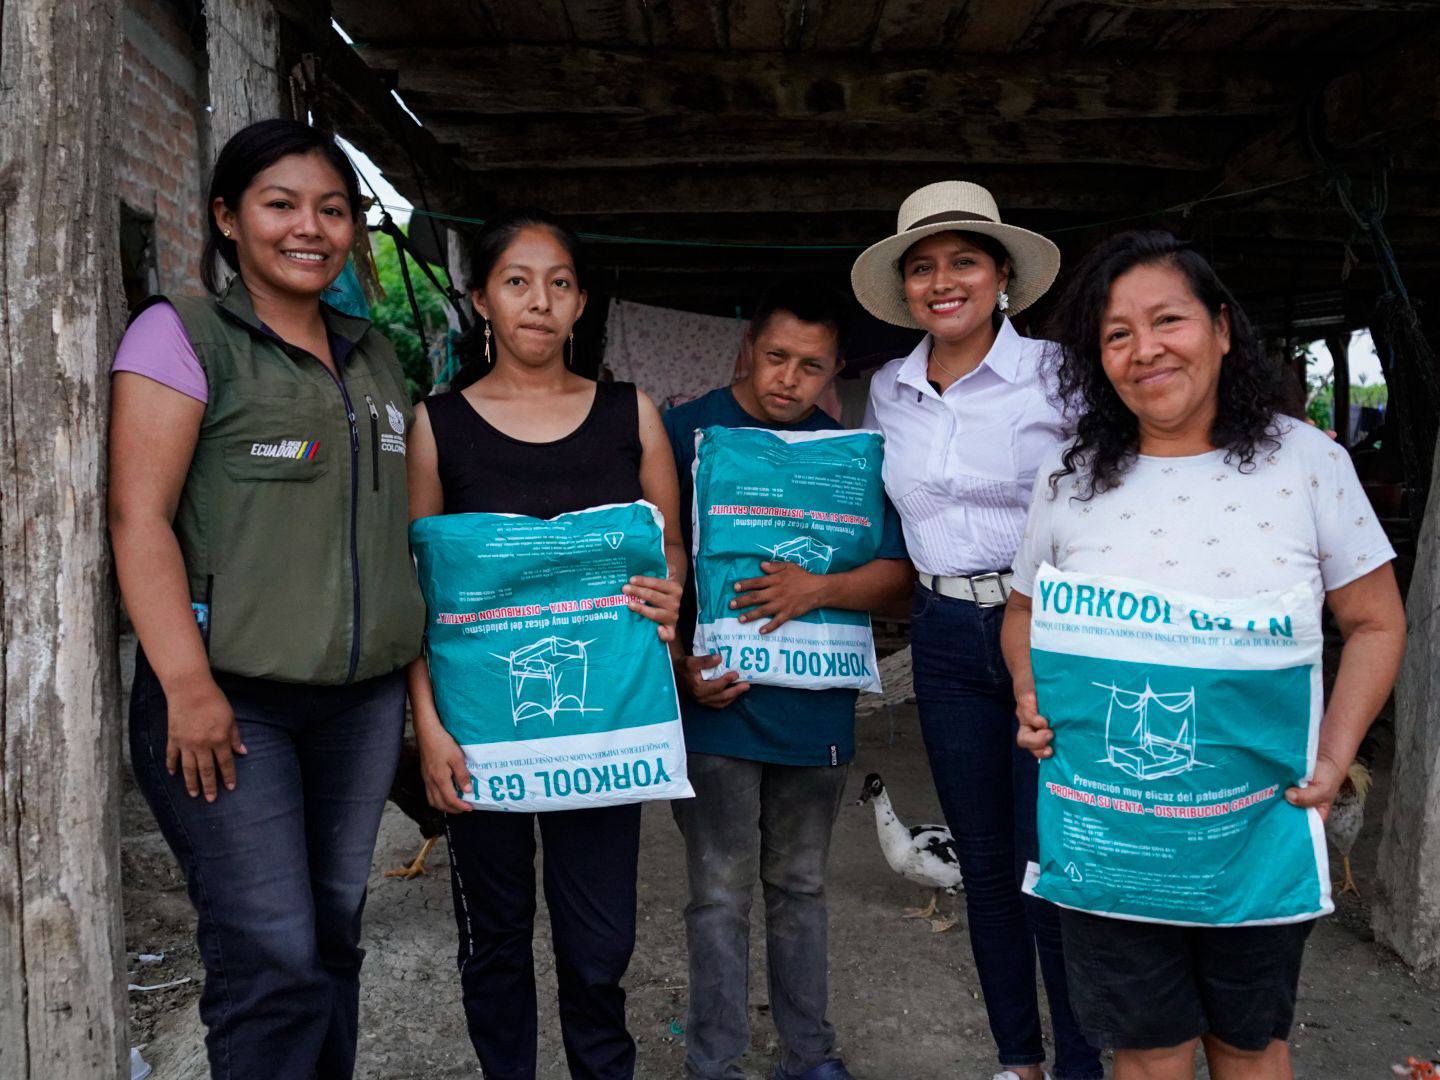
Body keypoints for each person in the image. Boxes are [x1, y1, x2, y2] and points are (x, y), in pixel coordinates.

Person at [1005, 230, 1405, 1080]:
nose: (1145, 349)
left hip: (1252, 834)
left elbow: (1375, 621)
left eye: (1168, 320)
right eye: (1117, 334)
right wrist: (1029, 697)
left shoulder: (1308, 462)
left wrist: (1334, 757)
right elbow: (1023, 611)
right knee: (1148, 1053)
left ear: (1221, 329)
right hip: (1113, 834)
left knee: (1248, 1049)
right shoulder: (1069, 478)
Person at [109, 119, 426, 1079]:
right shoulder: (182, 335)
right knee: (272, 954)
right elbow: (137, 518)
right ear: (227, 218)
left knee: (330, 938)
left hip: (358, 704)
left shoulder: (373, 355)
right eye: (281, 205)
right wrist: (185, 685)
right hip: (228, 699)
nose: (310, 228)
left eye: (332, 209)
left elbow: (406, 529)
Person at [405, 208, 684, 1080]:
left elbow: (670, 548)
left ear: (580, 303)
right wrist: (428, 728)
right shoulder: (436, 424)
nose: (539, 301)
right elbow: (417, 592)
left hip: (603, 726)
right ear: (482, 300)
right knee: (494, 938)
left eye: (559, 284)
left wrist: (671, 593)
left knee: (599, 945)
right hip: (478, 733)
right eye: (517, 282)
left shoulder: (630, 413)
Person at [852, 182, 1101, 1080]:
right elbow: (866, 509)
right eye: (923, 267)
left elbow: (1115, 493)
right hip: (945, 631)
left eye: (964, 261)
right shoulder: (888, 390)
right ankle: (1018, 1060)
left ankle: (1082, 1064)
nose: (943, 281)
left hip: (1051, 630)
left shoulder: (1062, 375)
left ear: (1003, 278)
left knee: (1050, 862)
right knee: (987, 865)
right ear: (905, 289)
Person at [662, 278, 912, 1080]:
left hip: (815, 710)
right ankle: (714, 1063)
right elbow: (642, 567)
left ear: (836, 371)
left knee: (801, 886)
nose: (789, 379)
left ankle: (809, 1055)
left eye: (811, 366)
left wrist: (818, 588)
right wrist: (676, 668)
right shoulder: (681, 435)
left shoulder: (850, 456)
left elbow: (900, 577)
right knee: (718, 894)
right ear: (747, 348)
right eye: (776, 357)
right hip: (715, 705)